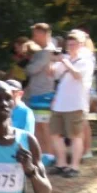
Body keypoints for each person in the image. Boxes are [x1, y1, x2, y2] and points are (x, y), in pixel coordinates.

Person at [48, 31, 94, 177]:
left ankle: (74, 167)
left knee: (76, 136)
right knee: (55, 134)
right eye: (69, 43)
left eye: (74, 43)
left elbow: (77, 75)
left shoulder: (85, 60)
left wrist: (64, 61)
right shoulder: (66, 58)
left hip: (76, 104)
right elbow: (52, 73)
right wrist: (52, 59)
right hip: (60, 103)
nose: (71, 46)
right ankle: (61, 164)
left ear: (81, 44)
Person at [24, 23, 57, 154]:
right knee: (38, 125)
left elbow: (31, 69)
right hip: (37, 92)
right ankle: (42, 153)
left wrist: (29, 65)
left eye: (36, 33)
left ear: (43, 34)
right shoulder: (43, 51)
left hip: (44, 93)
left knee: (44, 126)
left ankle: (49, 153)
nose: (33, 36)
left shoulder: (47, 52)